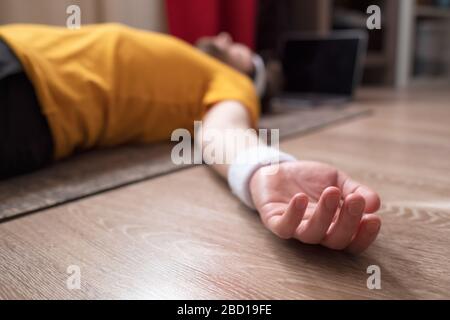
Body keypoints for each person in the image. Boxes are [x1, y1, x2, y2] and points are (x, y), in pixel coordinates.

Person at [0, 23, 381, 254]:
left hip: (28, 90)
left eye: (240, 50)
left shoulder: (231, 83)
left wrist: (263, 167)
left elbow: (222, 132)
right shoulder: (185, 54)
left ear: (251, 78)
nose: (226, 36)